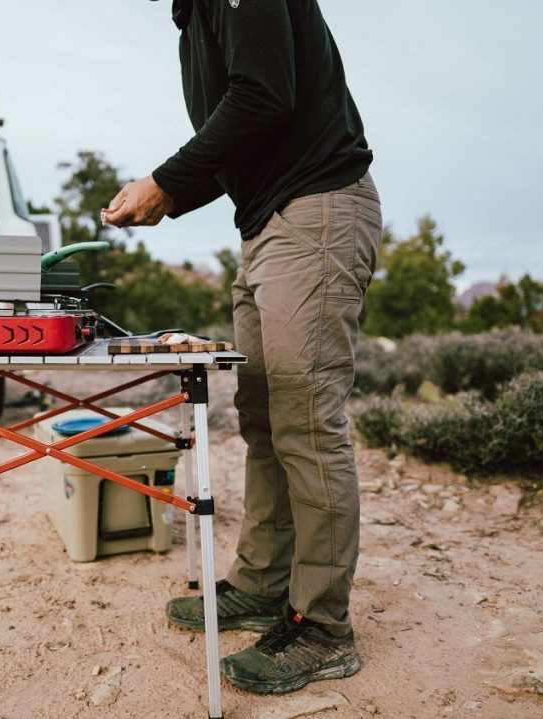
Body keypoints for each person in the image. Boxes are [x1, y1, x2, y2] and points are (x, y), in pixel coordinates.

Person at [102, 0, 382, 695]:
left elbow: (264, 94)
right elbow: (245, 129)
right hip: (267, 224)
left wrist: (165, 180)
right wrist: (170, 196)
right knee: (262, 416)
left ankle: (322, 627)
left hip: (315, 211)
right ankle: (263, 584)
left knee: (306, 421)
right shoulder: (194, 17)